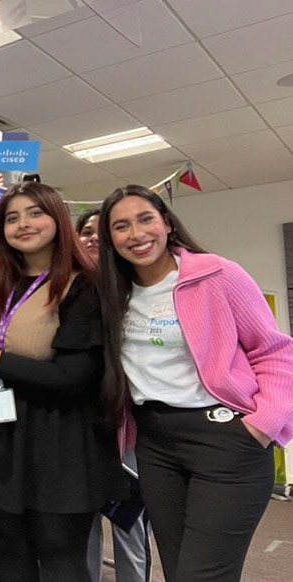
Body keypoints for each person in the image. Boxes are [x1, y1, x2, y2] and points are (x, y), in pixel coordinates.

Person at [96, 184, 293, 582]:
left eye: (145, 219)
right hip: (155, 445)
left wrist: (261, 426)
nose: (136, 234)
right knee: (178, 569)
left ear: (166, 223)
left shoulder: (217, 274)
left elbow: (274, 352)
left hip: (225, 438)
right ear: (109, 239)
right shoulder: (112, 292)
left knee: (202, 575)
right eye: (121, 226)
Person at [0, 181, 123, 581]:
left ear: (58, 220)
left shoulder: (83, 285)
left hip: (59, 438)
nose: (23, 224)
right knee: (7, 550)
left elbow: (74, 376)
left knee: (60, 553)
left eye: (34, 213)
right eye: (11, 217)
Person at [76, 207, 152, 582]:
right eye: (84, 231)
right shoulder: (68, 290)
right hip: (78, 431)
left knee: (129, 525)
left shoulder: (131, 289)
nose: (91, 237)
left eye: (98, 232)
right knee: (82, 522)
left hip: (125, 430)